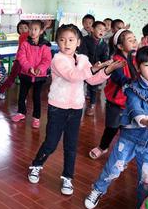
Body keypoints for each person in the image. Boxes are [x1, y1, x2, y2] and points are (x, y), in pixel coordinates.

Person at [84, 46, 148, 209]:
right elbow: (134, 108)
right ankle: (97, 190)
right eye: (147, 65)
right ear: (139, 68)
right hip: (129, 139)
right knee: (112, 169)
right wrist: (143, 119)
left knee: (147, 181)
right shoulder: (133, 88)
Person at [27, 24, 122, 195]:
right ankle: (36, 165)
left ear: (78, 42)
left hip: (76, 108)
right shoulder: (57, 59)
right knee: (51, 142)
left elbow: (91, 80)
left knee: (71, 145)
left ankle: (67, 178)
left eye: (71, 40)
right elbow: (73, 76)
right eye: (62, 40)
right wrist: (94, 68)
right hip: (58, 107)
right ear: (57, 43)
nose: (66, 44)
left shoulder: (83, 59)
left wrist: (106, 70)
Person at [89, 29, 138, 159]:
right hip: (116, 102)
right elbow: (120, 78)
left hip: (131, 102)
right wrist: (135, 82)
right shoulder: (116, 61)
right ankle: (103, 147)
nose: (134, 42)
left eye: (134, 39)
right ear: (120, 46)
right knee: (112, 127)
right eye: (130, 40)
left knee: (128, 129)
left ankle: (124, 153)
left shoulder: (136, 59)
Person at [11, 20, 52, 128]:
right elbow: (21, 57)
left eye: (35, 29)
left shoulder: (45, 45)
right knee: (22, 95)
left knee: (36, 97)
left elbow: (47, 60)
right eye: (31, 29)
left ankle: (36, 117)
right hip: (25, 74)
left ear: (41, 31)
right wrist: (29, 68)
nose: (33, 32)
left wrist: (40, 68)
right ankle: (21, 113)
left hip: (40, 77)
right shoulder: (25, 43)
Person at [79, 21, 110, 115]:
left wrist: (103, 65)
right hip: (84, 68)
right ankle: (77, 103)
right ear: (92, 29)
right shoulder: (84, 40)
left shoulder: (104, 44)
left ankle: (91, 105)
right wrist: (90, 66)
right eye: (99, 29)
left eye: (104, 30)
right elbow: (83, 54)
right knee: (79, 85)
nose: (102, 31)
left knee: (93, 88)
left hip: (96, 69)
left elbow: (105, 58)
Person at [0, 20, 29, 99]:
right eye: (20, 28)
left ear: (28, 28)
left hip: (27, 62)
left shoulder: (29, 36)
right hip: (19, 61)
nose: (23, 30)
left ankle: (23, 97)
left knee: (25, 80)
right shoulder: (22, 37)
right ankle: (1, 90)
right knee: (11, 78)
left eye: (25, 28)